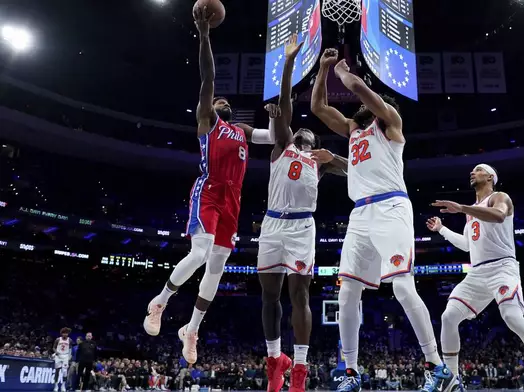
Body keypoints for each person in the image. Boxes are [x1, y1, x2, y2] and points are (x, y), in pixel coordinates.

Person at [310, 48, 453, 392]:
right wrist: (323, 68)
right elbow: (317, 108)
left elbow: (360, 90)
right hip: (360, 213)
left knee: (402, 287)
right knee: (346, 295)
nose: (361, 107)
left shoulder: (390, 124)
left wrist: (343, 73)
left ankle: (436, 365)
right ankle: (351, 372)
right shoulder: (354, 132)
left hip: (391, 209)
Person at [142, 5, 276, 364]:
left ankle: (192, 329)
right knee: (199, 255)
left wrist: (280, 115)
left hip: (234, 200)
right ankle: (160, 301)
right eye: (219, 101)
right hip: (210, 191)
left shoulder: (245, 132)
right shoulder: (209, 121)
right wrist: (204, 36)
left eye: (225, 101)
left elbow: (279, 137)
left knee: (217, 268)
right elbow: (208, 78)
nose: (223, 100)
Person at [426, 163, 524, 392]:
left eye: (477, 169)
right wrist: (442, 230)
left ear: (490, 176)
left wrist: (462, 208)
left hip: (502, 268)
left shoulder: (500, 197)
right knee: (448, 317)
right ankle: (453, 380)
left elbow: (498, 216)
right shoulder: (472, 211)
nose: (471, 172)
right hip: (477, 272)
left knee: (512, 317)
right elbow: (467, 244)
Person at [257, 35, 348, 392]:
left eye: (309, 137)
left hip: (301, 228)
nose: (302, 134)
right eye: (299, 131)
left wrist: (334, 159)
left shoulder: (320, 162)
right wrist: (289, 61)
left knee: (299, 296)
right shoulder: (282, 145)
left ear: (316, 144)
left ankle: (299, 366)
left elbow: (355, 169)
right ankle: (274, 358)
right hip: (272, 222)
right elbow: (284, 104)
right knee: (269, 295)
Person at [52, 327, 72, 392]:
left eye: (66, 333)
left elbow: (70, 349)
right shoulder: (58, 339)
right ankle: (56, 386)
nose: (65, 334)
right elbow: (54, 348)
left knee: (64, 372)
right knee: (57, 371)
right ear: (61, 333)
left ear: (68, 334)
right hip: (58, 356)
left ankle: (63, 386)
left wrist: (69, 356)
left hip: (66, 356)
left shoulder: (70, 340)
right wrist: (56, 352)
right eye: (64, 333)